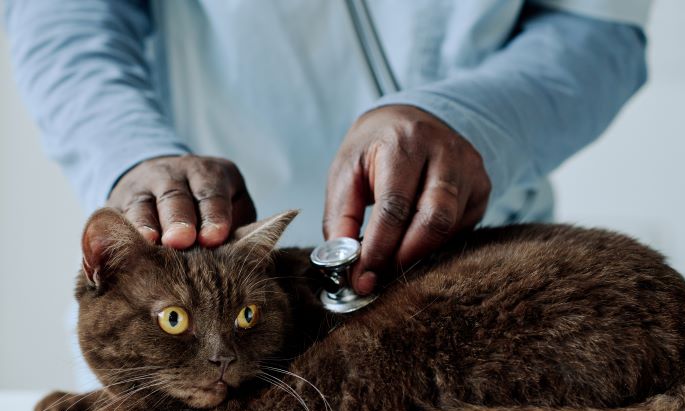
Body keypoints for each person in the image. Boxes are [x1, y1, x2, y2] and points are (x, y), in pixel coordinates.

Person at [5, 0, 650, 295]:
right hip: (192, 307)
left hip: (474, 267)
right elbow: (62, 14)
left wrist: (471, 119)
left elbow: (599, 31)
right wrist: (130, 151)